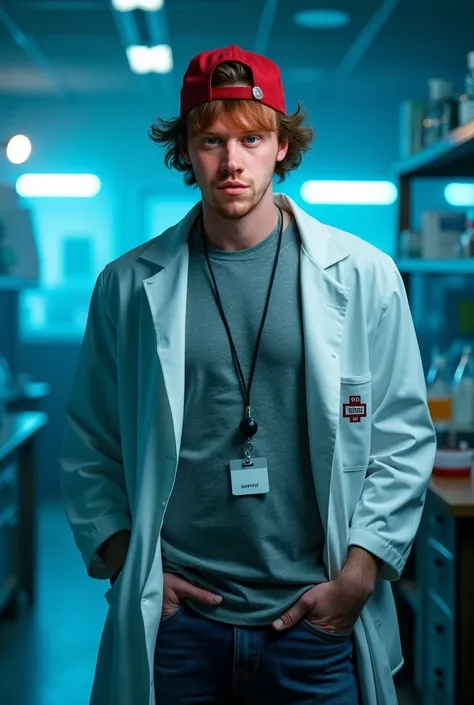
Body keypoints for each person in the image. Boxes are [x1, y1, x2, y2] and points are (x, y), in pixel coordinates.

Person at [60, 44, 436, 705]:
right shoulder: (127, 285)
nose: (232, 162)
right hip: (181, 625)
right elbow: (91, 442)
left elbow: (404, 435)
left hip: (314, 624)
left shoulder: (365, 275)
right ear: (185, 151)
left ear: (282, 148)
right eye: (211, 140)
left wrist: (359, 572)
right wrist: (131, 567)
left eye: (252, 138)